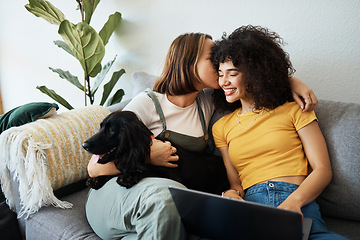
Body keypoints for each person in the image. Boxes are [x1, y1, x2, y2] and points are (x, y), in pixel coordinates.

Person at [86, 32, 318, 240]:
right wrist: (147, 156)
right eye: (213, 59)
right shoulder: (147, 104)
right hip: (119, 195)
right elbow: (95, 169)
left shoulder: (207, 102)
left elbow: (251, 75)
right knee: (165, 197)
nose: (220, 65)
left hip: (158, 209)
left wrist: (291, 81)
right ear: (190, 63)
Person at [212, 25, 348, 239]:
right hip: (251, 205)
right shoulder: (221, 127)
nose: (223, 82)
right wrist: (231, 194)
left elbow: (322, 169)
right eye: (220, 74)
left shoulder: (295, 109)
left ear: (255, 73)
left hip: (297, 199)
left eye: (232, 73)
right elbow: (236, 183)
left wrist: (293, 202)